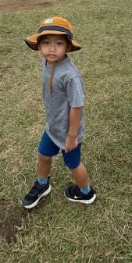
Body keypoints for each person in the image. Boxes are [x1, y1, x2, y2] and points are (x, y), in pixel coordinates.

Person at [21, 17, 96, 208]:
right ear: (39, 46)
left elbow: (77, 106)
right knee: (43, 155)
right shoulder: (46, 62)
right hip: (53, 126)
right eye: (46, 43)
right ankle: (42, 184)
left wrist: (71, 136)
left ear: (68, 46)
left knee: (73, 164)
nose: (52, 49)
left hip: (69, 132)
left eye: (59, 43)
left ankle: (86, 193)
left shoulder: (70, 76)